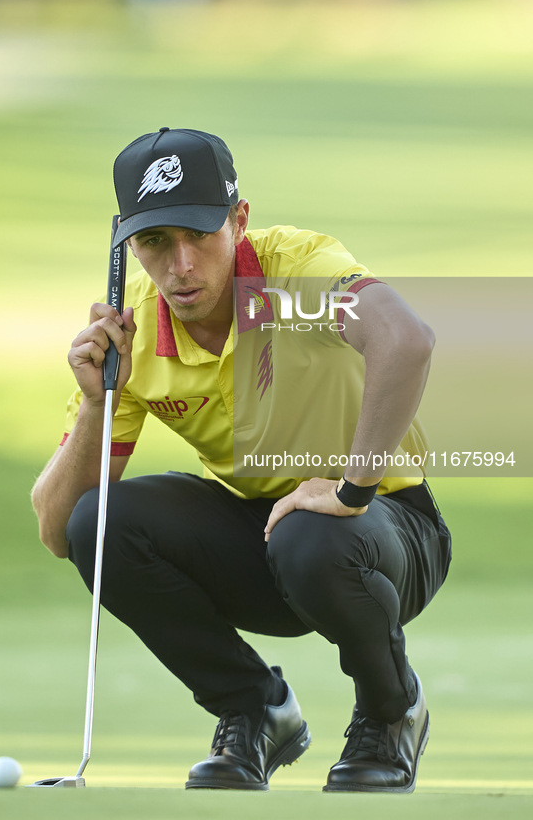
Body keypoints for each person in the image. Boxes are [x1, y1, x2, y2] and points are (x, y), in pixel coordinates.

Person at [31, 127, 452, 793]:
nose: (182, 267)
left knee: (312, 534)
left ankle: (389, 710)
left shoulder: (297, 269)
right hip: (260, 539)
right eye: (154, 242)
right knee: (98, 521)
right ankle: (254, 709)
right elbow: (58, 531)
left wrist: (349, 489)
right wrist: (94, 406)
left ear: (239, 219)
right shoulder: (132, 330)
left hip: (384, 530)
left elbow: (407, 340)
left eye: (200, 234)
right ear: (127, 245)